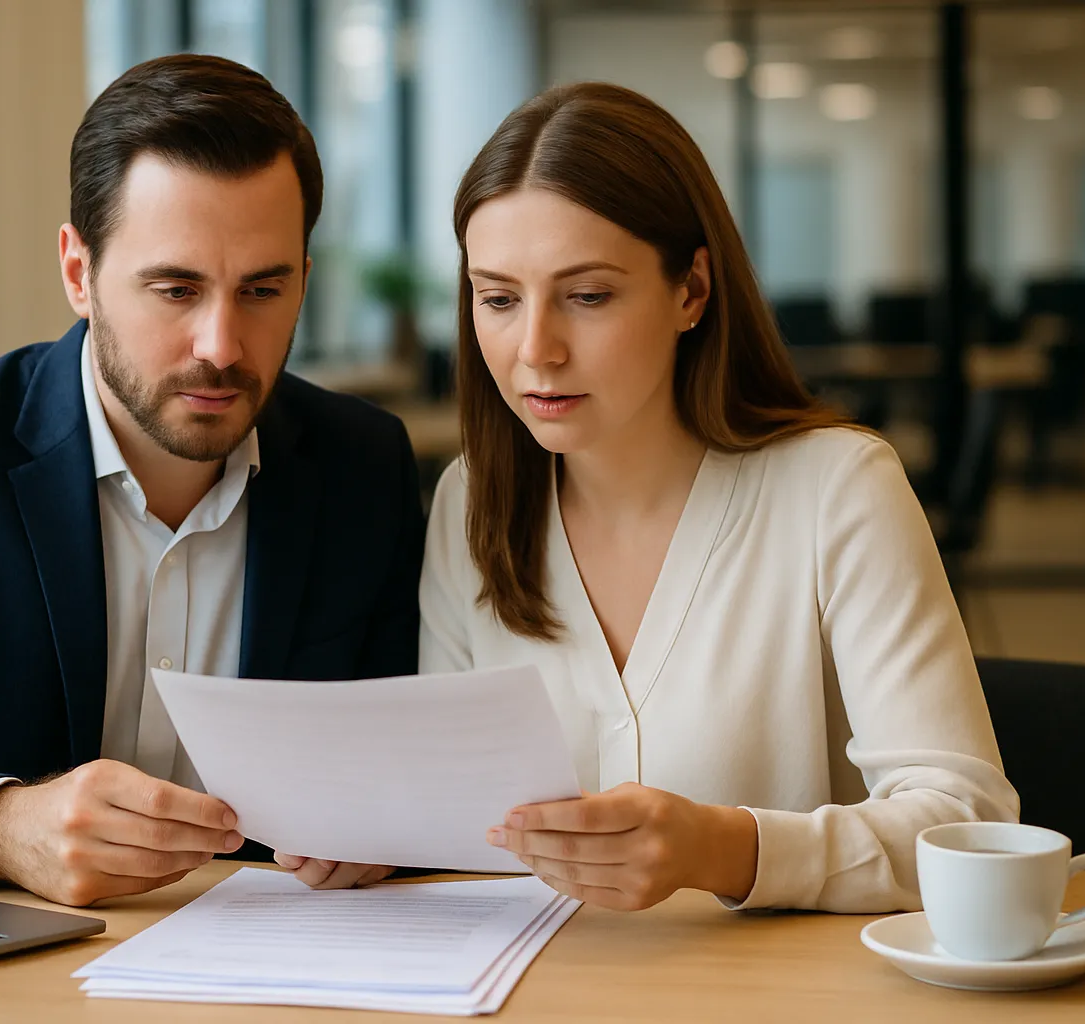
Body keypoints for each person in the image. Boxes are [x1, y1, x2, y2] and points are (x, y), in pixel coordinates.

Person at [0, 55, 423, 907]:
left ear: (305, 281)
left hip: (281, 966)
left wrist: (386, 825)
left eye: (263, 289)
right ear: (78, 273)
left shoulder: (363, 465)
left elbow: (406, 754)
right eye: (176, 288)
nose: (222, 345)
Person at [420, 82, 1019, 914]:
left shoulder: (836, 490)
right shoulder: (469, 502)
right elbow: (448, 812)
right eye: (498, 298)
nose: (536, 350)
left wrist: (728, 848)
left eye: (588, 296)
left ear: (691, 290)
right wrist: (362, 837)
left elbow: (968, 824)